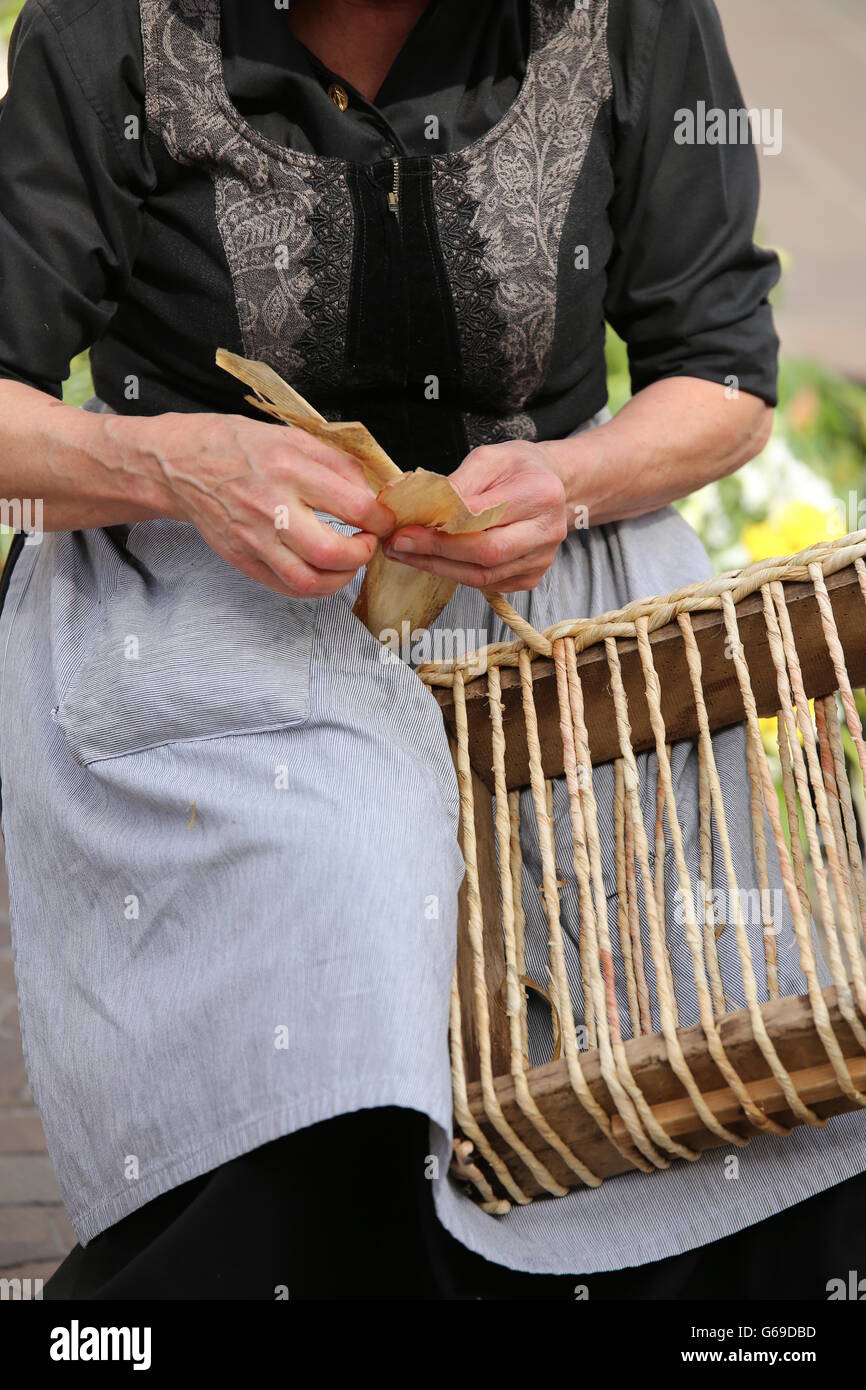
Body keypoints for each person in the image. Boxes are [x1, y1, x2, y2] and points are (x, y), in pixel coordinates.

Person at [0, 0, 863, 1300]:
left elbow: (723, 377)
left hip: (547, 577)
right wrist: (173, 461)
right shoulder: (103, 36)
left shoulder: (630, 20)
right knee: (355, 856)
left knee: (702, 1005)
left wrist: (569, 479)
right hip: (204, 581)